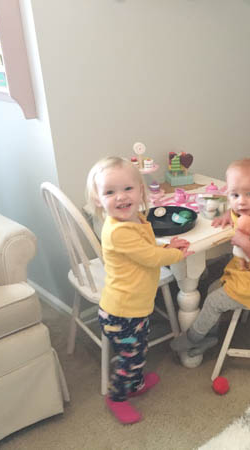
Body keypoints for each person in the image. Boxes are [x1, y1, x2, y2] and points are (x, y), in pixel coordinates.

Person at [86, 156, 192, 424]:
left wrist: (167, 247)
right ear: (98, 199)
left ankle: (135, 383)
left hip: (136, 308)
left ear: (140, 191)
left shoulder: (136, 220)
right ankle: (117, 397)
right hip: (121, 312)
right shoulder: (118, 231)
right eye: (110, 192)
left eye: (127, 189)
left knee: (139, 349)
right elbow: (151, 257)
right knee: (130, 357)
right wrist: (176, 254)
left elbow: (148, 247)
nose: (121, 197)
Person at [170, 158, 250, 357]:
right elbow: (236, 212)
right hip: (242, 276)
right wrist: (227, 216)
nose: (241, 202)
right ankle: (211, 336)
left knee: (213, 301)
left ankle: (193, 337)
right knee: (213, 289)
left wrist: (246, 244)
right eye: (235, 195)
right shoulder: (248, 211)